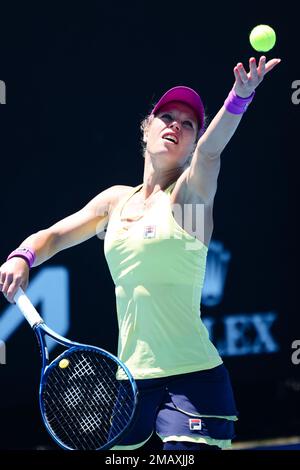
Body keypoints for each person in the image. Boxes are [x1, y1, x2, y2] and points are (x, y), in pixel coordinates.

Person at [0, 55, 281, 451]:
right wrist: (22, 256)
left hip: (195, 379)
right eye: (167, 117)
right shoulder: (115, 201)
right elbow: (54, 237)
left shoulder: (190, 199)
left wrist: (240, 97)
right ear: (146, 129)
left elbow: (211, 153)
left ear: (191, 145)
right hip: (130, 382)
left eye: (188, 125)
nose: (176, 126)